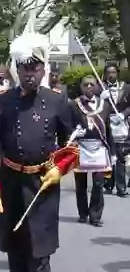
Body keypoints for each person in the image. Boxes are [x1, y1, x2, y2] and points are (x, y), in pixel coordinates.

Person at [0, 32, 79, 272]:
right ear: (17, 70)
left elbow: (71, 144)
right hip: (11, 183)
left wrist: (60, 168)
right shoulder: (3, 101)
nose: (30, 74)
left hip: (43, 185)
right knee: (16, 252)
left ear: (43, 69)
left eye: (35, 68)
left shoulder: (57, 101)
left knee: (40, 255)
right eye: (24, 68)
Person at [71, 75, 115, 226]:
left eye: (92, 84)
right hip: (81, 147)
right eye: (85, 84)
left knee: (98, 183)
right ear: (81, 87)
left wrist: (113, 151)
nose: (89, 86)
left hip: (99, 147)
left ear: (97, 86)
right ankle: (83, 213)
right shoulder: (74, 104)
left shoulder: (106, 105)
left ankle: (95, 215)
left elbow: (108, 130)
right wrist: (72, 139)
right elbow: (68, 126)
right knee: (80, 184)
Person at [102, 63, 130, 196]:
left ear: (117, 73)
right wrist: (101, 98)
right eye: (108, 72)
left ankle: (121, 187)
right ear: (105, 74)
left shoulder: (126, 87)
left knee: (119, 157)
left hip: (120, 124)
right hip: (106, 125)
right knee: (107, 157)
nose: (111, 74)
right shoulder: (101, 88)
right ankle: (108, 185)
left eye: (113, 72)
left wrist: (123, 115)